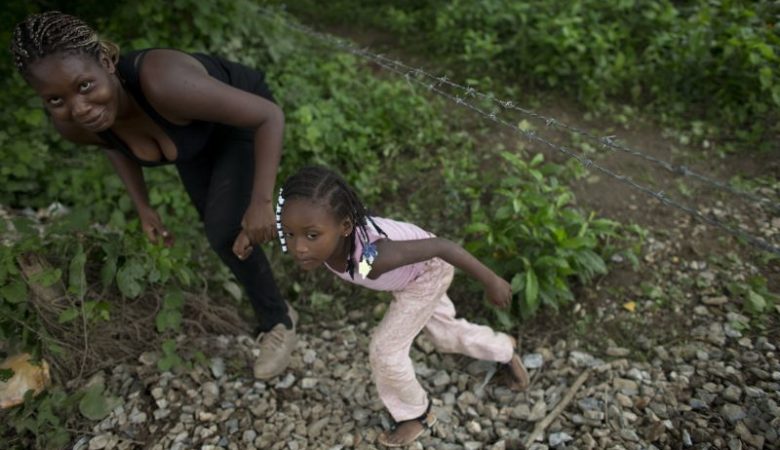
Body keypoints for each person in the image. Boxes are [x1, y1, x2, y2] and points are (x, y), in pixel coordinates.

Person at [11, 11, 296, 380]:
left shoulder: (165, 83)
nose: (78, 109)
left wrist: (261, 202)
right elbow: (113, 145)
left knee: (224, 229)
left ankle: (279, 320)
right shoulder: (73, 124)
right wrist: (143, 207)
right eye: (54, 99)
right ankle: (274, 307)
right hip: (192, 139)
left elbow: (268, 116)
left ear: (106, 61)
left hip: (240, 118)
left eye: (84, 86)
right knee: (223, 231)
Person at [277, 166, 530, 447]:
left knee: (385, 350)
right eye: (289, 234)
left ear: (345, 227)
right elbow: (279, 225)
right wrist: (248, 236)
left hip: (426, 275)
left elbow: (441, 246)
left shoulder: (371, 258)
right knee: (445, 335)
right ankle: (505, 349)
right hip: (412, 276)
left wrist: (491, 280)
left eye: (311, 235)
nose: (298, 247)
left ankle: (416, 414)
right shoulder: (320, 237)